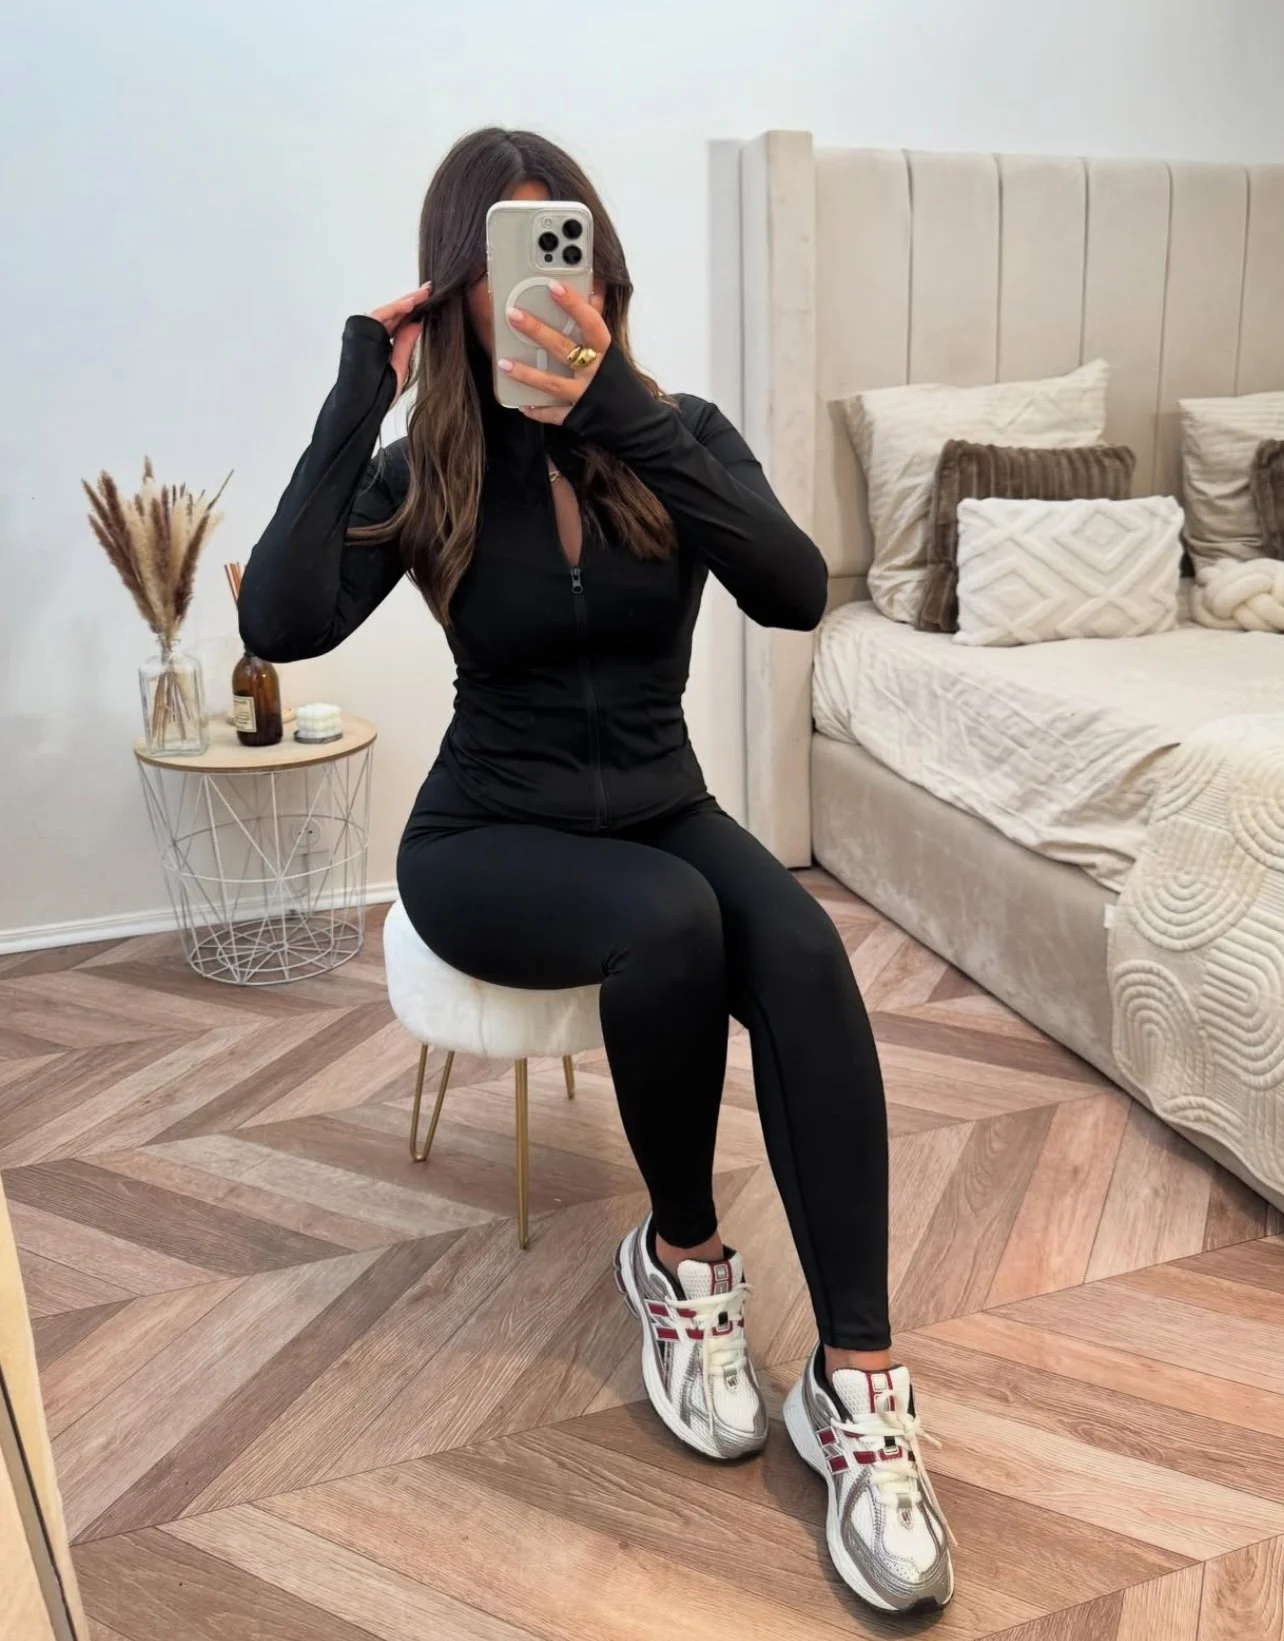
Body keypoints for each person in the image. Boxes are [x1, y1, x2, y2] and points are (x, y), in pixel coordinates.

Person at [238, 126, 954, 1615]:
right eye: (502, 257)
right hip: (487, 833)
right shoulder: (427, 464)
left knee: (803, 946)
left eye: (559, 243)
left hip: (660, 802)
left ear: (601, 265)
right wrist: (357, 394)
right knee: (671, 921)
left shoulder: (674, 433)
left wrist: (625, 408)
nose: (539, 283)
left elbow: (789, 588)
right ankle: (682, 1265)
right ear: (457, 287)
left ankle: (858, 1381)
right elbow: (286, 621)